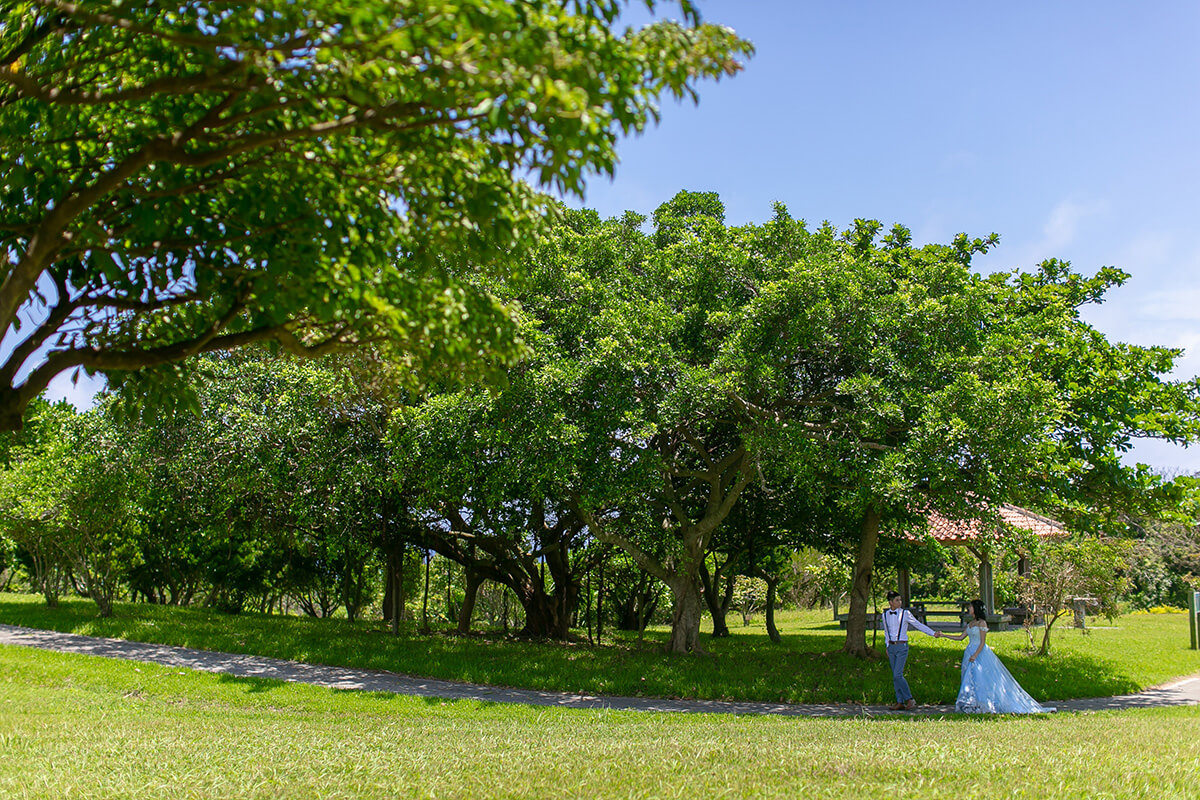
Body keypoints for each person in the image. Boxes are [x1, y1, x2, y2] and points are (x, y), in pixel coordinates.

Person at [941, 599, 1055, 714]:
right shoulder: (970, 624)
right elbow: (961, 637)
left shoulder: (982, 623)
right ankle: (972, 702)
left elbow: (982, 642)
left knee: (981, 677)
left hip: (979, 653)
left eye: (970, 607)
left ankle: (984, 703)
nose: (968, 609)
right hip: (969, 652)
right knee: (969, 677)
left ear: (975, 609)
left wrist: (975, 655)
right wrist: (943, 635)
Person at [882, 590, 941, 710]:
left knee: (898, 674)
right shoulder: (885, 615)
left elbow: (918, 624)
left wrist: (932, 633)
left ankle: (909, 699)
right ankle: (899, 701)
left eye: (900, 600)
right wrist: (887, 645)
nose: (900, 602)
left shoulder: (905, 613)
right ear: (890, 602)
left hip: (902, 646)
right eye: (897, 600)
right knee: (895, 675)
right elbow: (886, 631)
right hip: (892, 646)